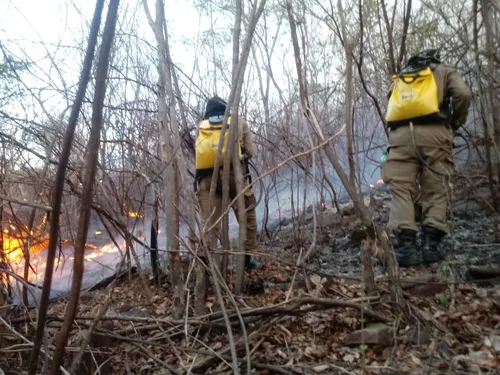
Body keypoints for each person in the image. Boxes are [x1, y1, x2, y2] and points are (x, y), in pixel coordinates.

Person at [383, 49, 472, 267]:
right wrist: (454, 124)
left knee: (401, 188)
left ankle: (406, 249)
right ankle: (430, 246)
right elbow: (463, 94)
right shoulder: (443, 70)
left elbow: (390, 102)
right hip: (435, 133)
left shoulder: (404, 75)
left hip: (401, 137)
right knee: (436, 186)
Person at [195, 96, 259, 271]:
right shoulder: (239, 122)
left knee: (209, 226)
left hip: (208, 182)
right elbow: (250, 152)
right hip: (235, 178)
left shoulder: (202, 126)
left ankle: (205, 270)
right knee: (247, 218)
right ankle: (246, 261)